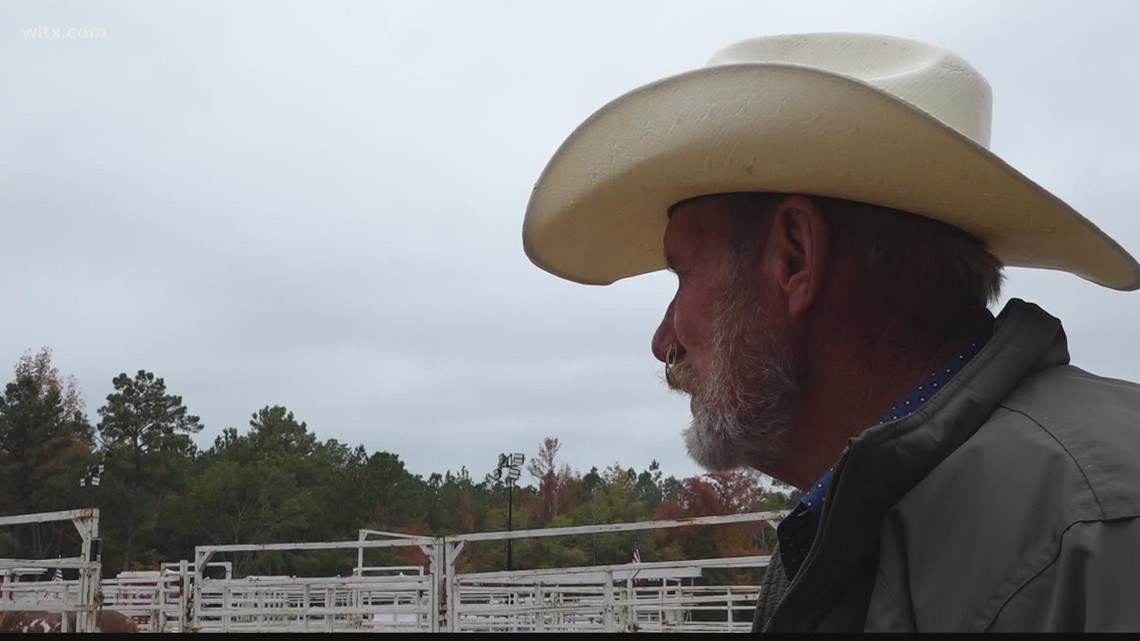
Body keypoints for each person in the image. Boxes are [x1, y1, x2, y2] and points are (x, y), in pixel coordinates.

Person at [520, 32, 1140, 632]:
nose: (663, 340)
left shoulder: (1091, 538)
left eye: (682, 273)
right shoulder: (861, 526)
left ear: (793, 259)